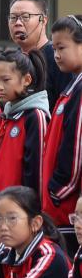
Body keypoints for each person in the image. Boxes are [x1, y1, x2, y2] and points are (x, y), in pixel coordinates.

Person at [42, 14, 82, 256]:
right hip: (58, 205)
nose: (56, 54)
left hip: (66, 206)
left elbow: (76, 147)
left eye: (62, 47)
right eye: (54, 48)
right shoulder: (73, 85)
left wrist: (59, 190)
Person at [0, 48, 48, 191]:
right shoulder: (6, 116)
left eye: (6, 80)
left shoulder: (35, 116)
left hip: (19, 208)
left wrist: (28, 208)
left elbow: (35, 170)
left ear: (26, 80)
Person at [8, 0, 70, 107]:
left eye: (25, 17)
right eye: (13, 17)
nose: (17, 23)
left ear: (43, 20)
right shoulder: (10, 59)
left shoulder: (57, 57)